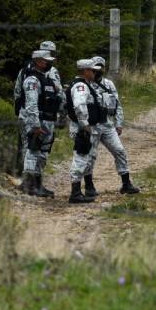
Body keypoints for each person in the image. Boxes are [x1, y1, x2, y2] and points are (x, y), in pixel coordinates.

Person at [79, 56, 139, 197]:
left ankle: (126, 183)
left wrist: (119, 123)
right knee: (91, 155)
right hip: (91, 126)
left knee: (119, 151)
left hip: (107, 125)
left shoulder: (108, 84)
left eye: (101, 66)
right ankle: (89, 186)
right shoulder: (83, 85)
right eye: (96, 66)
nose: (99, 69)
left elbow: (117, 104)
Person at [13, 40, 63, 176]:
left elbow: (17, 91)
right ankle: (29, 180)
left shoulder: (24, 69)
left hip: (29, 112)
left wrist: (19, 108)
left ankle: (28, 177)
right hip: (38, 114)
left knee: (27, 145)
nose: (51, 58)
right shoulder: (47, 72)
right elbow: (58, 92)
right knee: (33, 146)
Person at [66, 60, 103, 204]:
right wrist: (85, 125)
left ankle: (83, 190)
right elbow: (79, 106)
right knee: (80, 157)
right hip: (82, 128)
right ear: (85, 71)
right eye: (92, 70)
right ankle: (75, 193)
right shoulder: (81, 86)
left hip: (86, 127)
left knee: (88, 157)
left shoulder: (85, 85)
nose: (95, 73)